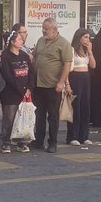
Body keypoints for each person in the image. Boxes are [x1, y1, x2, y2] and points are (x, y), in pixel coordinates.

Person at [32, 17, 73, 154]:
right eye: (43, 28)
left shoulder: (64, 43)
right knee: (39, 114)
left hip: (53, 85)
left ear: (55, 30)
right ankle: (38, 141)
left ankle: (53, 142)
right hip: (38, 84)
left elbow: (67, 64)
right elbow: (35, 57)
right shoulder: (40, 41)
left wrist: (62, 82)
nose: (43, 31)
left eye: (46, 29)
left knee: (53, 116)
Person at [0, 25, 34, 153]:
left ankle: (22, 142)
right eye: (19, 39)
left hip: (25, 92)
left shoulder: (24, 55)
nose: (21, 41)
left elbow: (31, 72)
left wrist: (29, 87)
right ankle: (6, 142)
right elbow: (7, 75)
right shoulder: (5, 56)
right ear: (12, 42)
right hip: (10, 93)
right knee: (9, 117)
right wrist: (20, 89)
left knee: (23, 117)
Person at [66, 28, 94, 146]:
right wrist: (67, 84)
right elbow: (67, 68)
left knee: (85, 107)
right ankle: (73, 136)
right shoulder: (72, 50)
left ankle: (84, 135)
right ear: (79, 38)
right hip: (75, 77)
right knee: (75, 108)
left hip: (86, 77)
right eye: (85, 37)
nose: (88, 40)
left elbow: (93, 65)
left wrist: (90, 51)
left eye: (88, 37)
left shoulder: (87, 50)